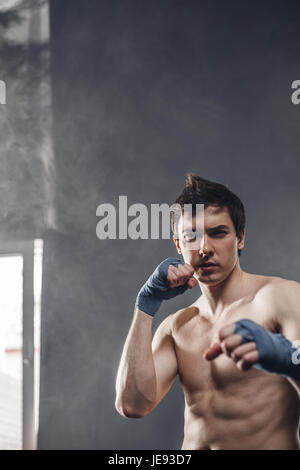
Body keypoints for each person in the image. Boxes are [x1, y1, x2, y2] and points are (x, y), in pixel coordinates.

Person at [115, 174, 300, 450]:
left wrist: (289, 360)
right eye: (191, 236)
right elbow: (132, 404)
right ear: (178, 245)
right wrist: (145, 306)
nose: (204, 248)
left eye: (218, 233)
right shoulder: (178, 326)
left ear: (240, 238)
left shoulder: (279, 298)